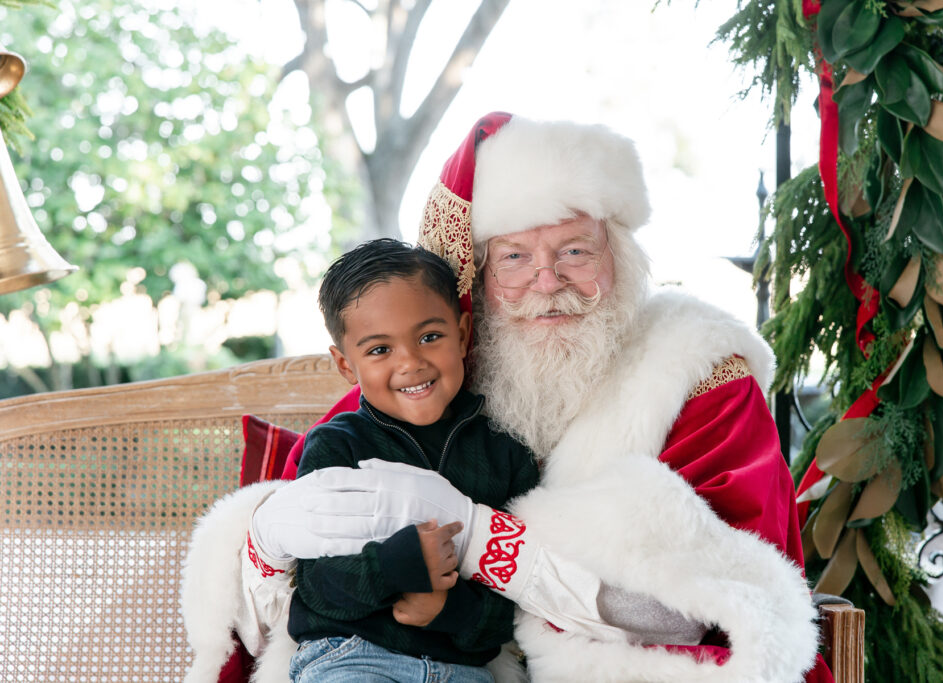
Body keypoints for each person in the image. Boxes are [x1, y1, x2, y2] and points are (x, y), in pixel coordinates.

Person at [183, 112, 832, 683]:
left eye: (575, 250)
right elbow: (307, 543)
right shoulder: (439, 378)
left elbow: (724, 584)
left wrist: (471, 555)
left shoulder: (694, 370)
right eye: (516, 257)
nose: (547, 281)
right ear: (479, 278)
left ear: (621, 259)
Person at [286, 239, 540, 682]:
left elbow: (523, 589)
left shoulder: (506, 453)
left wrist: (449, 608)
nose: (411, 363)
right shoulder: (335, 448)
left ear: (462, 335)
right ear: (347, 366)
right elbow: (317, 583)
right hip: (352, 655)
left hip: (465, 671)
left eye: (429, 337)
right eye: (379, 350)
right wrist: (390, 568)